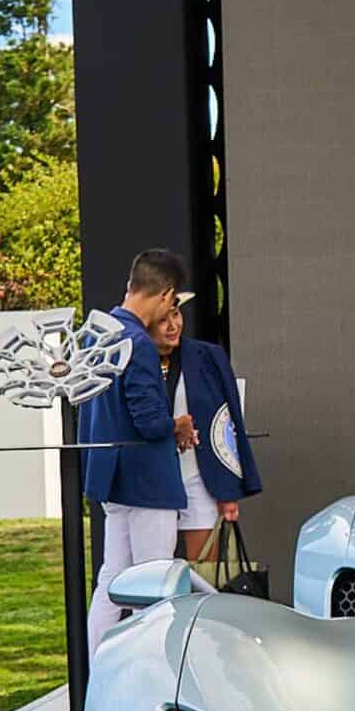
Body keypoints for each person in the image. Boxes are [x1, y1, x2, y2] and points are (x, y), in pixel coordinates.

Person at [79, 247, 188, 659]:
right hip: (147, 480)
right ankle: (150, 671)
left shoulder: (96, 334)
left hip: (111, 477)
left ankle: (99, 670)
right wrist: (177, 425)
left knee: (112, 579)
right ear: (166, 294)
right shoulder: (138, 343)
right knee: (154, 582)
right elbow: (150, 422)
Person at [151, 298, 262, 563]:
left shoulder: (207, 356)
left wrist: (229, 490)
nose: (172, 325)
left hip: (199, 477)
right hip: (152, 479)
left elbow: (227, 422)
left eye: (176, 315)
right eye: (162, 320)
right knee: (152, 568)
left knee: (204, 569)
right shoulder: (133, 360)